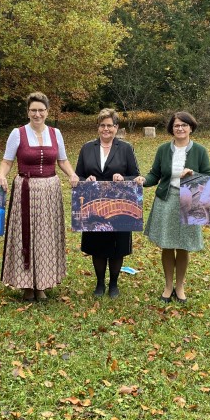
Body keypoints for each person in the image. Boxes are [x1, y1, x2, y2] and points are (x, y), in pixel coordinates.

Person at [0, 92, 79, 301]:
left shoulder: (56, 133)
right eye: (33, 110)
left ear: (47, 112)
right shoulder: (18, 133)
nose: (37, 114)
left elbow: (62, 160)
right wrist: (1, 175)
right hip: (26, 189)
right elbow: (7, 161)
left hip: (50, 190)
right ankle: (27, 285)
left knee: (45, 236)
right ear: (28, 112)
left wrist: (72, 174)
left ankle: (42, 283)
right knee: (26, 234)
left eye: (41, 110)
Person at [141, 111, 210, 304]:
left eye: (184, 125)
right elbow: (154, 174)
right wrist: (143, 181)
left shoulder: (200, 151)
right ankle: (168, 285)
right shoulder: (163, 149)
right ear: (171, 128)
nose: (180, 128)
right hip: (167, 199)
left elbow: (207, 176)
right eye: (176, 125)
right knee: (167, 244)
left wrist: (192, 174)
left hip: (190, 201)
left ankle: (180, 286)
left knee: (183, 245)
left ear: (191, 128)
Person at [75, 108, 141, 298]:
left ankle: (113, 284)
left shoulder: (126, 148)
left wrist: (124, 177)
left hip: (119, 204)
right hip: (93, 203)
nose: (106, 129)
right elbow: (78, 175)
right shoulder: (87, 148)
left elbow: (136, 175)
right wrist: (84, 180)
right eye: (102, 125)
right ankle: (99, 284)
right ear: (98, 127)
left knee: (117, 245)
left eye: (110, 125)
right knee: (97, 244)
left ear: (116, 127)